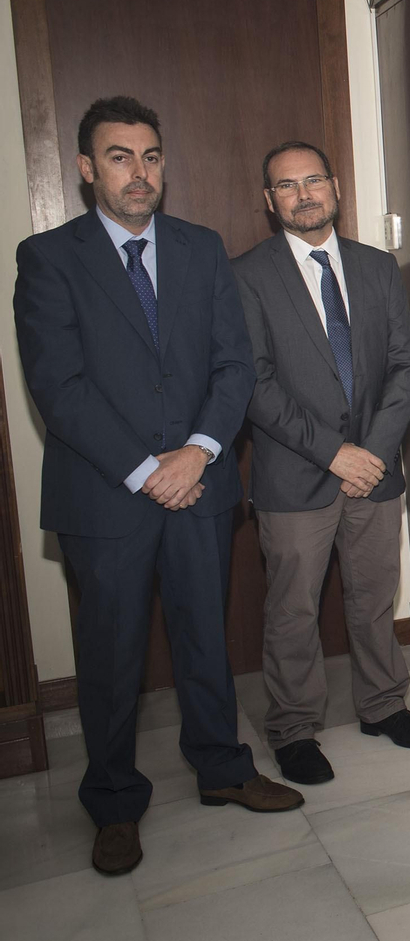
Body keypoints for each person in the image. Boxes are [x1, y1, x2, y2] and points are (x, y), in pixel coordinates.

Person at [12, 97, 302, 876]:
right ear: (85, 168)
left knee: (207, 635)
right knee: (111, 658)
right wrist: (148, 469)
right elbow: (59, 387)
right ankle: (112, 802)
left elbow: (233, 364)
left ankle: (224, 770)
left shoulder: (201, 249)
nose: (138, 173)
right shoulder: (46, 258)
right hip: (106, 498)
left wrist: (199, 451)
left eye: (150, 156)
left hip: (200, 484)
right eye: (118, 156)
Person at [232, 140, 410, 785]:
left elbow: (406, 364)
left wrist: (371, 452)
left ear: (336, 186)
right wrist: (334, 452)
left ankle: (383, 706)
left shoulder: (378, 268)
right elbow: (255, 385)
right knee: (292, 610)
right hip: (296, 475)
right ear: (270, 201)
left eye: (313, 180)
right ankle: (293, 728)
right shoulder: (248, 275)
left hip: (375, 471)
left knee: (374, 596)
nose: (303, 195)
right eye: (287, 186)